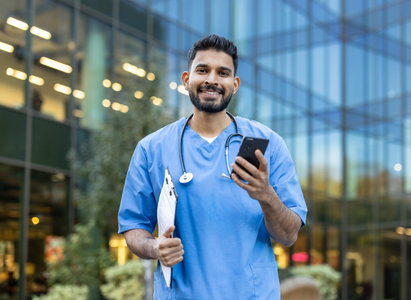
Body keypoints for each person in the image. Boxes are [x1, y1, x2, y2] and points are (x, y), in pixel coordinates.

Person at [118, 34, 308, 299]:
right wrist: (154, 248)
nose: (212, 80)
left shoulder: (268, 145)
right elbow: (133, 226)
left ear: (235, 84)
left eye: (223, 73)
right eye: (202, 70)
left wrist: (266, 194)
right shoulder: (152, 149)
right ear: (186, 80)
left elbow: (289, 235)